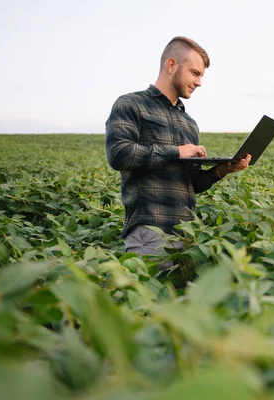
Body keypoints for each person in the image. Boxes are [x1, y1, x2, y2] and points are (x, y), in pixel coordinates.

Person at [105, 36, 250, 271]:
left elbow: (191, 183)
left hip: (188, 235)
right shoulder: (131, 104)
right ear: (171, 65)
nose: (199, 82)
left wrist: (222, 170)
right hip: (150, 231)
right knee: (151, 304)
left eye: (201, 75)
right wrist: (176, 151)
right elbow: (119, 154)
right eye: (194, 73)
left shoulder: (188, 123)